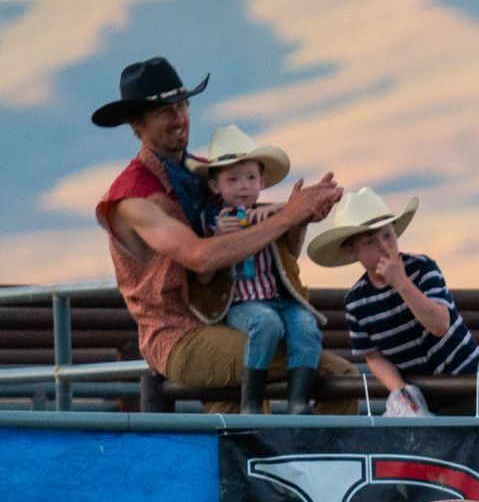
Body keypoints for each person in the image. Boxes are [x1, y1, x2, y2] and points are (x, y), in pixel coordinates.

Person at [92, 57, 351, 409]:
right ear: (137, 124)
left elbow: (253, 225)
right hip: (179, 336)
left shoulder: (206, 171)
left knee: (239, 420)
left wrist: (299, 215)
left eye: (183, 104)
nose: (180, 117)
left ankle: (286, 462)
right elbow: (200, 255)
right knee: (337, 378)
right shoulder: (132, 197)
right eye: (165, 111)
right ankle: (307, 462)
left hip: (234, 317)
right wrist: (289, 214)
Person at [184, 125, 325, 414]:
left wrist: (285, 215)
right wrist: (219, 239)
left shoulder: (272, 213)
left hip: (280, 299)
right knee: (266, 324)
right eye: (232, 179)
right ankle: (251, 401)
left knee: (306, 327)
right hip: (242, 304)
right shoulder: (213, 223)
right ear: (215, 187)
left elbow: (292, 253)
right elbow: (204, 276)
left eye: (250, 178)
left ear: (262, 181)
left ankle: (299, 401)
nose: (243, 186)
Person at [310, 189, 479, 415]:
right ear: (351, 251)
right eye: (370, 241)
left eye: (387, 235)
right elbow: (372, 356)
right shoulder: (356, 301)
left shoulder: (423, 268)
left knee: (462, 443)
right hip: (415, 385)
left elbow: (440, 325)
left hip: (461, 377)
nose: (384, 247)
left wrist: (401, 282)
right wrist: (401, 392)